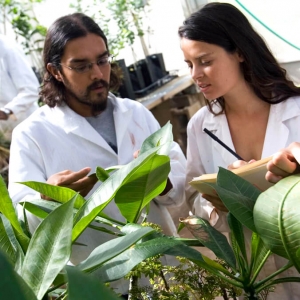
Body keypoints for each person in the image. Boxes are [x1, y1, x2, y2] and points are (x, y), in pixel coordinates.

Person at [8, 12, 186, 295]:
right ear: (56, 71)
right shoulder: (32, 135)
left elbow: (177, 178)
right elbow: (19, 217)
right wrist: (47, 199)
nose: (97, 74)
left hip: (163, 270)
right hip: (98, 281)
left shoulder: (136, 113)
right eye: (81, 66)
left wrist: (162, 179)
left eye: (102, 60)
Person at [179, 3, 300, 299]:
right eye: (189, 64)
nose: (196, 74)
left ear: (239, 52)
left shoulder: (296, 110)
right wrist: (217, 204)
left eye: (205, 61)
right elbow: (193, 196)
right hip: (253, 274)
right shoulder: (200, 126)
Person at [0, 34, 39, 140]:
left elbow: (31, 90)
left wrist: (7, 111)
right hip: (6, 137)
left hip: (29, 130)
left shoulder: (8, 49)